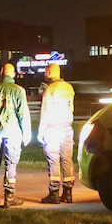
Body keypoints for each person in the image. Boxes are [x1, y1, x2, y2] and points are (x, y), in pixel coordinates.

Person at [0, 63, 31, 208]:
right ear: (13, 74)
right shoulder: (19, 90)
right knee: (11, 164)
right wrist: (26, 133)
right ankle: (9, 197)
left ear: (1, 72)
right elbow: (23, 114)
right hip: (13, 132)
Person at [38, 63, 76, 204]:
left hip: (52, 129)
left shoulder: (50, 89)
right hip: (67, 128)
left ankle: (53, 193)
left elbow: (45, 112)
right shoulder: (69, 88)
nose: (44, 75)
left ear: (49, 72)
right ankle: (68, 192)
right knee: (67, 160)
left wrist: (41, 132)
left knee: (53, 160)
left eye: (45, 72)